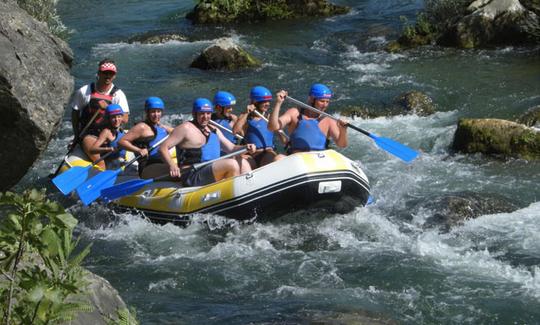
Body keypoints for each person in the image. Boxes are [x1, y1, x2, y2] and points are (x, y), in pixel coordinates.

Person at [159, 98, 256, 187]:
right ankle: (231, 194)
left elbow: (231, 148)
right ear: (194, 114)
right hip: (192, 175)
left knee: (242, 162)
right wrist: (172, 165)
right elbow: (163, 148)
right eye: (202, 113)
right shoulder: (185, 128)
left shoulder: (213, 130)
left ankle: (248, 189)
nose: (205, 117)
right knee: (232, 164)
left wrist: (246, 147)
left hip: (211, 170)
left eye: (208, 113)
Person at [69, 59, 129, 161]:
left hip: (109, 134)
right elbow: (75, 113)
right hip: (90, 134)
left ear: (114, 76)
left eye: (111, 73)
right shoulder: (84, 91)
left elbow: (125, 119)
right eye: (105, 73)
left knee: (118, 158)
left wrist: (108, 109)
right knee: (99, 161)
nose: (108, 76)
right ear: (98, 73)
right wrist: (76, 135)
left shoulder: (118, 94)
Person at [268, 83, 348, 157]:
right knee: (278, 158)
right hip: (296, 158)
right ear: (312, 99)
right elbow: (273, 127)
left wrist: (343, 129)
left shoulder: (328, 121)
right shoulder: (294, 113)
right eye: (322, 101)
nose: (325, 105)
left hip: (318, 159)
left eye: (327, 102)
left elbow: (342, 145)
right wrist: (278, 103)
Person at [119, 97, 173, 178]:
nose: (156, 115)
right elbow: (121, 142)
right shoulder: (141, 127)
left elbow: (178, 132)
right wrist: (138, 150)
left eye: (158, 111)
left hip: (161, 163)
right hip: (148, 167)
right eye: (153, 112)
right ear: (147, 112)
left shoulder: (162, 128)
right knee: (175, 170)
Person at [233, 86, 283, 168]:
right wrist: (246, 113)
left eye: (268, 101)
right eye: (264, 102)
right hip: (252, 155)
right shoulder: (245, 117)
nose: (267, 104)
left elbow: (282, 136)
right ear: (255, 102)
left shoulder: (270, 117)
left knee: (271, 157)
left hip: (268, 152)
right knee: (239, 160)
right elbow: (236, 131)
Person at [88, 104, 127, 170]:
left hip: (122, 162)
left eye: (119, 116)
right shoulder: (106, 132)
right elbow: (92, 150)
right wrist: (108, 149)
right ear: (108, 119)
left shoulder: (121, 129)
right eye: (113, 117)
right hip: (111, 165)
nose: (116, 119)